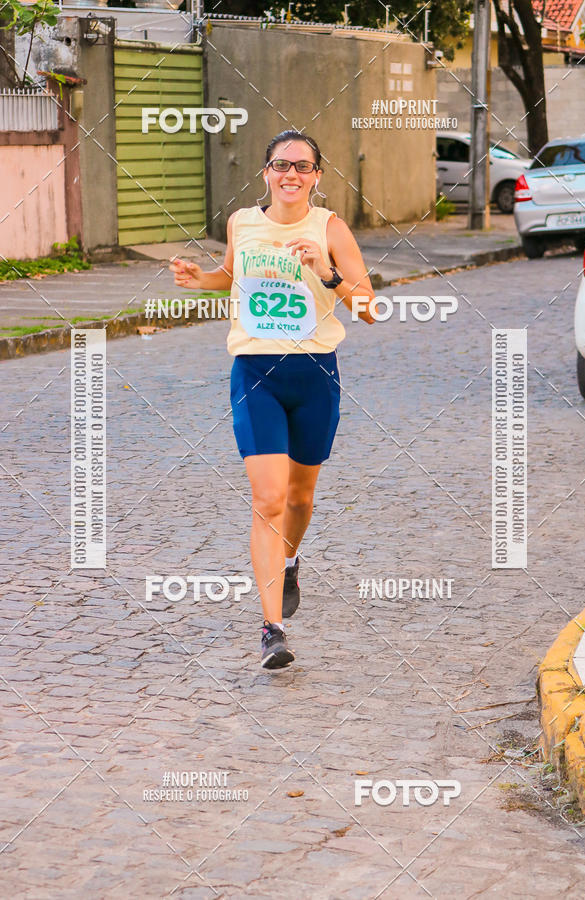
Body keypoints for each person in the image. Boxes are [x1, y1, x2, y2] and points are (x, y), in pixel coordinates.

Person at [170, 129, 375, 670]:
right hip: (255, 371)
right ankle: (272, 631)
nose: (291, 174)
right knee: (268, 499)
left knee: (300, 500)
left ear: (317, 177)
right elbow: (231, 275)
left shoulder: (330, 228)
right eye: (281, 165)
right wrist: (200, 278)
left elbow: (370, 308)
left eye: (303, 166)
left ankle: (288, 562)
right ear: (266, 172)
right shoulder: (242, 222)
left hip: (314, 375)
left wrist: (326, 273)